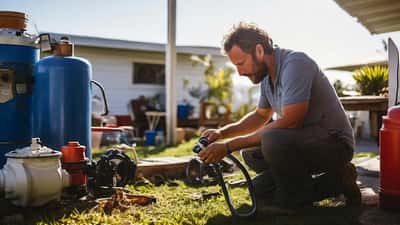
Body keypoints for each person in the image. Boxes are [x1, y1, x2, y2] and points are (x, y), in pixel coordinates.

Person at [198, 22, 361, 212]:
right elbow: (260, 116)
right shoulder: (268, 77)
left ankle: (312, 190)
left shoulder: (296, 63)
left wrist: (228, 147)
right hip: (304, 142)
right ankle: (321, 182)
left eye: (241, 63)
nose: (240, 72)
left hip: (334, 144)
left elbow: (292, 120)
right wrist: (221, 133)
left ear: (259, 50)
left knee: (271, 141)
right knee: (252, 159)